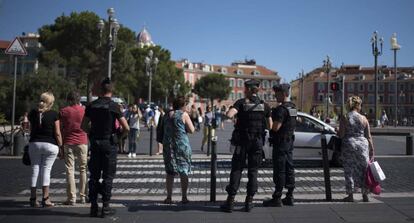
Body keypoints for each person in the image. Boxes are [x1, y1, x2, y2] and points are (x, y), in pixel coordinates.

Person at [220, 79, 272, 212]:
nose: (244, 91)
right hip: (257, 142)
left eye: (245, 89)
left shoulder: (241, 103)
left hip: (242, 142)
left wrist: (236, 118)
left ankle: (230, 201)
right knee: (253, 171)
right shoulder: (264, 105)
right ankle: (249, 201)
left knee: (237, 169)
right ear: (258, 90)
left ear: (248, 89)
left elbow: (229, 115)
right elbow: (270, 126)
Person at [81, 78, 130, 217]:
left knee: (94, 176)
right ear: (111, 91)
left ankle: (93, 206)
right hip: (110, 143)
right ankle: (106, 206)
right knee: (108, 176)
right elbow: (126, 127)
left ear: (101, 91)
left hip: (95, 142)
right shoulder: (115, 106)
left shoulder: (91, 105)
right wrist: (119, 136)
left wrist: (91, 134)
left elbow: (83, 126)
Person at [263, 83, 297, 207]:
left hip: (281, 143)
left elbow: (276, 127)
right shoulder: (293, 107)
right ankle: (290, 196)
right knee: (289, 168)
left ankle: (277, 197)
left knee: (280, 169)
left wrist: (269, 122)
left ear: (283, 94)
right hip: (289, 142)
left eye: (277, 94)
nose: (275, 96)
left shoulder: (281, 109)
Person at [28, 92, 62, 208]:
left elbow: (31, 130)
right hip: (50, 145)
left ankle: (33, 198)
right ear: (51, 103)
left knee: (35, 169)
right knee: (46, 170)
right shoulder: (54, 114)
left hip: (35, 144)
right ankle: (46, 198)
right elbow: (57, 133)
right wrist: (61, 146)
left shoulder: (32, 113)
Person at [338, 96, 374, 202]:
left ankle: (350, 196)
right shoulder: (364, 118)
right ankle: (365, 195)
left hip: (349, 144)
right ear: (358, 106)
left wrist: (338, 131)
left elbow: (341, 134)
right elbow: (368, 136)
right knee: (364, 169)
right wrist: (372, 149)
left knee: (349, 170)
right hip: (363, 145)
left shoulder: (345, 117)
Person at [161, 97, 195, 204]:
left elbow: (163, 128)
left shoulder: (166, 115)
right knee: (183, 171)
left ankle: (169, 197)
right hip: (181, 146)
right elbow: (192, 130)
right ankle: (184, 197)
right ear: (182, 105)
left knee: (170, 172)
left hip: (168, 145)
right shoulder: (183, 114)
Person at [59, 90, 88, 205]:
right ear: (79, 99)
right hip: (82, 141)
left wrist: (60, 145)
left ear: (69, 100)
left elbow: (61, 128)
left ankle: (72, 198)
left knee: (70, 170)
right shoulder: (84, 110)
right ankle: (83, 196)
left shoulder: (64, 111)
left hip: (69, 142)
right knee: (83, 169)